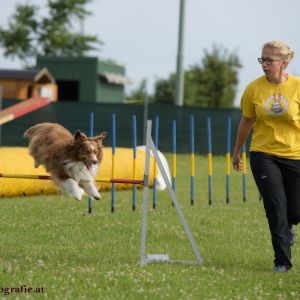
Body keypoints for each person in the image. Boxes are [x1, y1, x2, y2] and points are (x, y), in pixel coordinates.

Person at [232, 40, 300, 273]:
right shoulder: (253, 88)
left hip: (295, 154)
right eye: (262, 59)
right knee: (276, 207)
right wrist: (237, 150)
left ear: (284, 62)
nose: (264, 64)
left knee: (295, 210)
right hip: (263, 154)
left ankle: (290, 226)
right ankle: (282, 261)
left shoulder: (298, 87)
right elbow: (247, 121)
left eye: (269, 60)